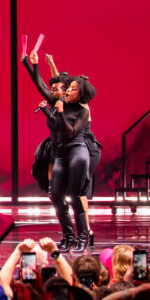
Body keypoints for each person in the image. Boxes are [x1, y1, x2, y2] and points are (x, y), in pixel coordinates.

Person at [23, 52, 95, 253]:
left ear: (79, 94)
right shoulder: (57, 103)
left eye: (72, 89)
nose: (67, 91)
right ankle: (68, 235)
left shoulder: (82, 111)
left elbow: (70, 132)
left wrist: (60, 112)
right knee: (55, 195)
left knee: (74, 195)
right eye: (67, 89)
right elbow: (40, 85)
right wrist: (31, 64)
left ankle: (83, 237)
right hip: (61, 154)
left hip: (77, 152)